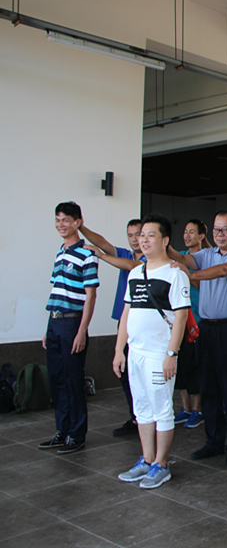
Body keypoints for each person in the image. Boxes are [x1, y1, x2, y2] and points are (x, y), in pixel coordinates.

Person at [168, 210, 227, 469]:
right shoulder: (206, 254)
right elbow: (184, 258)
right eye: (217, 230)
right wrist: (164, 243)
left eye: (226, 230)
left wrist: (191, 275)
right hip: (206, 330)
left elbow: (224, 270)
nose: (220, 234)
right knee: (208, 388)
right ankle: (214, 441)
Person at [115, 214, 190, 488]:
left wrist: (171, 353)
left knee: (161, 409)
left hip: (159, 353)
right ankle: (146, 460)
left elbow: (181, 317)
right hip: (135, 352)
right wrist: (119, 350)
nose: (143, 240)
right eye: (141, 235)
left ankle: (161, 463)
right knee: (142, 409)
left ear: (165, 240)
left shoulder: (175, 274)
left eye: (150, 235)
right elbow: (126, 313)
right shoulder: (135, 273)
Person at [39, 201, 98, 455]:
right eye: (58, 219)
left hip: (72, 323)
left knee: (73, 380)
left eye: (65, 220)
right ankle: (62, 431)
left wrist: (82, 330)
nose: (60, 224)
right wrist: (48, 327)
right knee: (57, 379)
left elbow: (90, 295)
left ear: (77, 222)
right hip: (55, 322)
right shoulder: (59, 253)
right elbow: (57, 291)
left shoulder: (86, 254)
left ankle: (77, 434)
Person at [79, 217, 144, 437]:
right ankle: (135, 418)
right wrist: (81, 227)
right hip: (123, 322)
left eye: (138, 234)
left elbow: (130, 266)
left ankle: (146, 419)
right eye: (130, 235)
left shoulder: (149, 259)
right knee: (124, 373)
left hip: (141, 322)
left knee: (139, 373)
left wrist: (101, 256)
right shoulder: (125, 253)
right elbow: (103, 243)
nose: (134, 239)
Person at [173, 220, 206, 429]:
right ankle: (185, 409)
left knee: (196, 366)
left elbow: (202, 284)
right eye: (185, 231)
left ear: (201, 236)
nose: (187, 235)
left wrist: (186, 271)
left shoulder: (206, 258)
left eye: (191, 232)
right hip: (180, 318)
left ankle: (197, 410)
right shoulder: (180, 256)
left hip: (199, 319)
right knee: (181, 365)